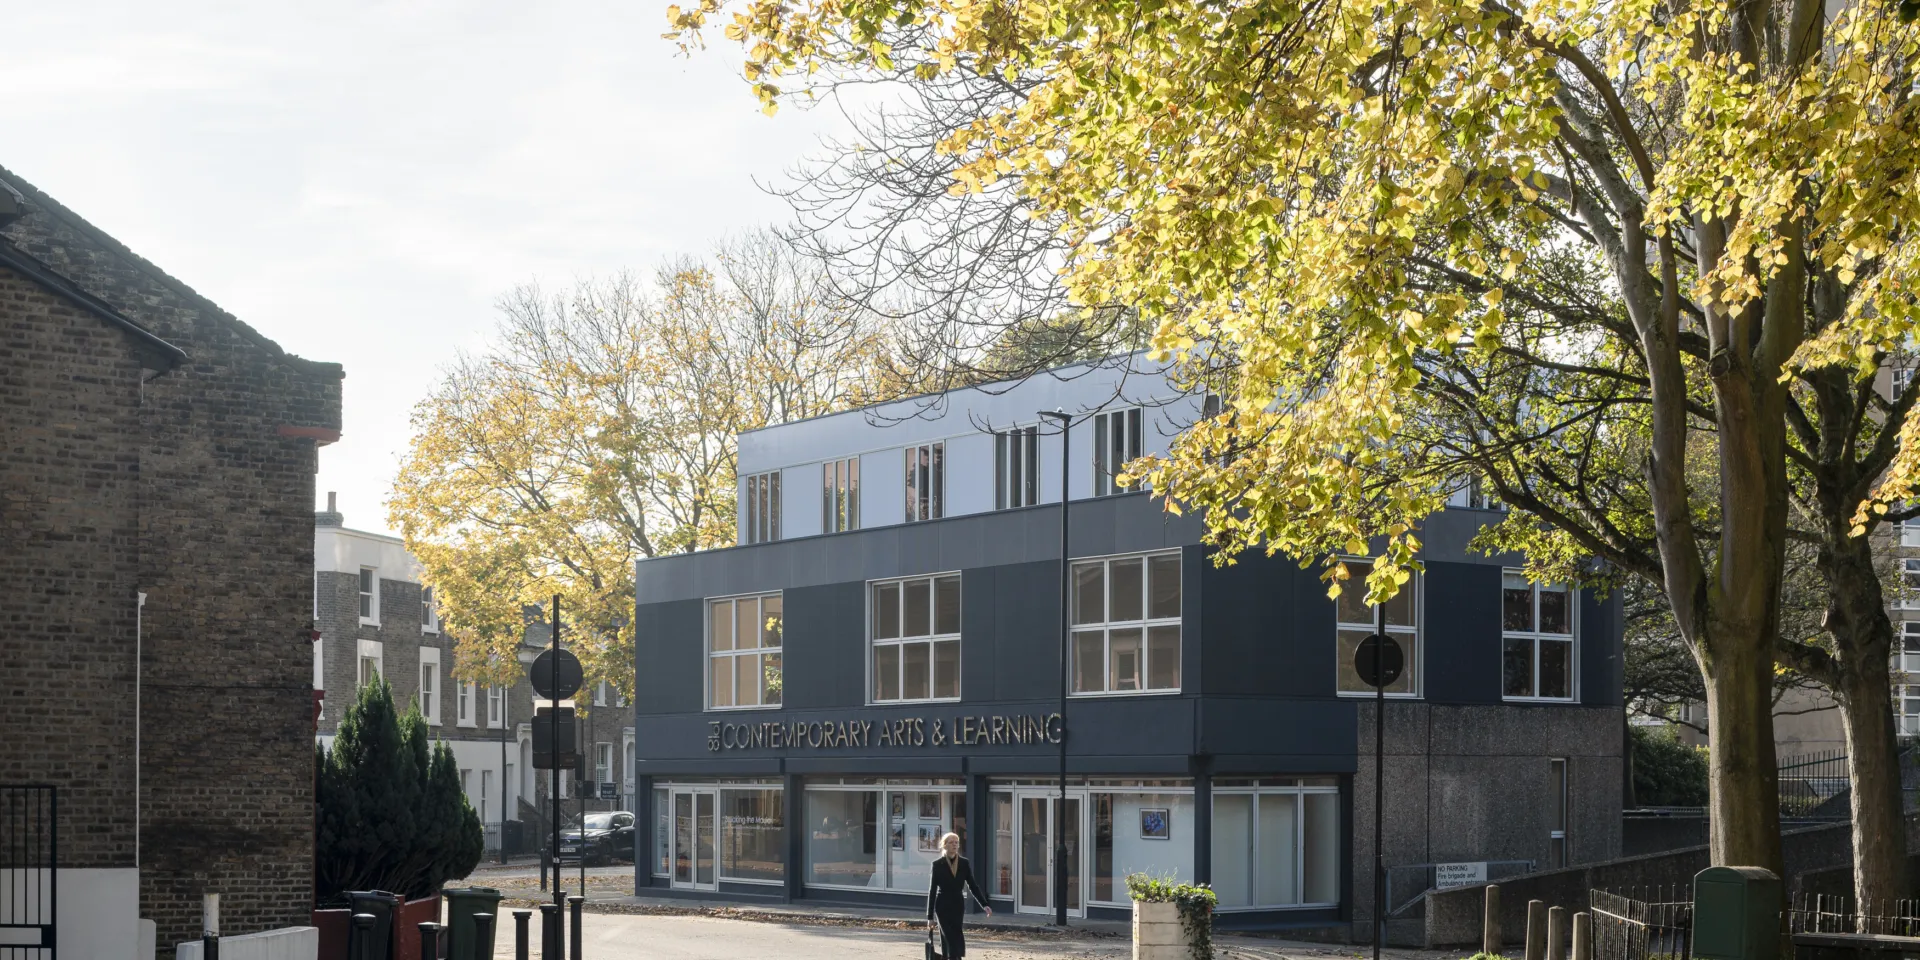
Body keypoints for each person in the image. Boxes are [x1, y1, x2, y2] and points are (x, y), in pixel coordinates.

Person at [926, 832, 991, 959]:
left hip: (958, 904)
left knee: (955, 935)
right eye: (951, 842)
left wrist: (984, 904)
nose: (954, 845)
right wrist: (930, 917)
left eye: (956, 842)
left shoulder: (963, 863)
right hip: (942, 906)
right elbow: (932, 890)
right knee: (948, 936)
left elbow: (973, 886)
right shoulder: (937, 864)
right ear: (944, 845)